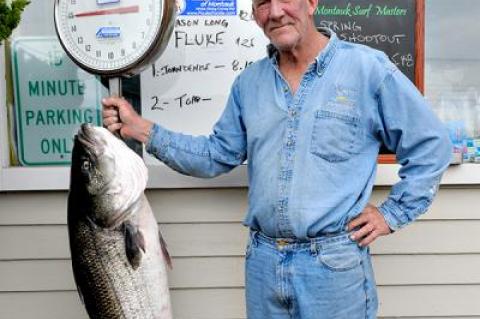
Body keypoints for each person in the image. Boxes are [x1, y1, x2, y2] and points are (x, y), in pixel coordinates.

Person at [102, 0, 452, 317]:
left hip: (332, 267)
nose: (275, 12)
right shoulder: (249, 84)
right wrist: (142, 130)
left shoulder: (367, 70)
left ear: (312, 3)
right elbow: (216, 155)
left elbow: (431, 145)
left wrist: (391, 214)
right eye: (262, 4)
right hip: (264, 264)